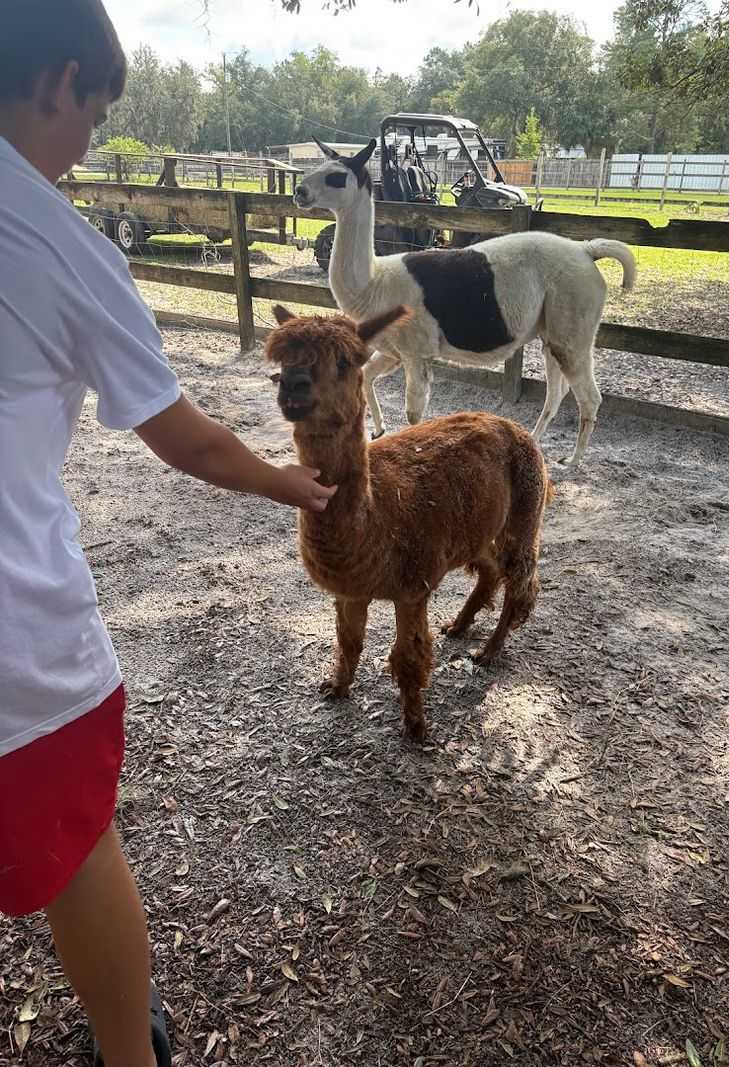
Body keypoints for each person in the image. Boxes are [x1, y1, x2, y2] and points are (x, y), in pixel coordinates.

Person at [0, 3, 336, 1065]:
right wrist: (294, 486)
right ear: (60, 82)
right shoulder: (54, 239)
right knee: (74, 839)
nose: (86, 142)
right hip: (16, 635)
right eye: (94, 115)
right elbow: (186, 439)